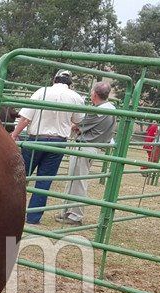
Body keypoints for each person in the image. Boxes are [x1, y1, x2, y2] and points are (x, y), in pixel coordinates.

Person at [11, 69, 85, 224]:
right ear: (69, 83)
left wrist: (13, 135)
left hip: (36, 139)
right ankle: (33, 217)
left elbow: (25, 119)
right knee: (44, 181)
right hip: (58, 142)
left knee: (20, 177)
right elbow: (78, 120)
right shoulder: (75, 97)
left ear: (54, 80)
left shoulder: (41, 92)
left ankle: (10, 211)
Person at [54, 81, 117, 226]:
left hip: (84, 147)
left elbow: (77, 126)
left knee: (78, 181)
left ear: (94, 94)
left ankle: (75, 215)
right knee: (76, 180)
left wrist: (74, 126)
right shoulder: (111, 109)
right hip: (94, 147)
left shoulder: (96, 111)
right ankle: (68, 212)